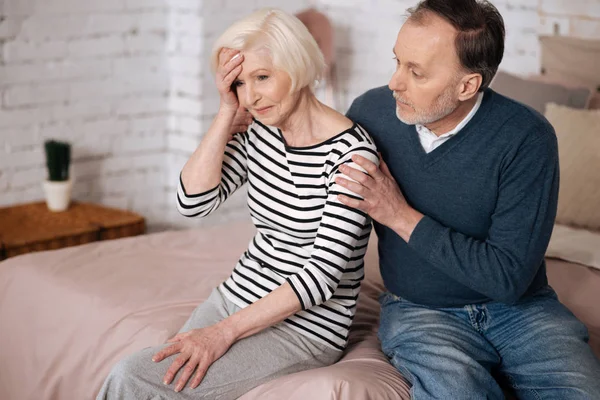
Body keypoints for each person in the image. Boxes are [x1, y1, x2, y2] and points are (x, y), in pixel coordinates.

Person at [96, 8, 378, 400]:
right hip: (233, 296)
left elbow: (320, 279)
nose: (251, 96)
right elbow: (192, 203)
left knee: (135, 378)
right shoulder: (260, 129)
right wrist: (225, 114)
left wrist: (220, 334)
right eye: (240, 83)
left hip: (304, 329)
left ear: (297, 67)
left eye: (262, 78)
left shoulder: (352, 156)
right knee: (153, 382)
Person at [333, 0, 600, 399]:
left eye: (415, 72)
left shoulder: (527, 137)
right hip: (419, 311)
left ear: (467, 85)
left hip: (523, 311)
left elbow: (508, 278)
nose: (394, 83)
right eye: (398, 62)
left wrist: (399, 215)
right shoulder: (371, 114)